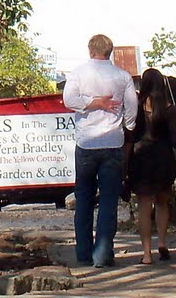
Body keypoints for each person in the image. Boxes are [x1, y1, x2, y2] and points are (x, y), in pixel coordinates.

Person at [62, 33, 138, 268]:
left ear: (90, 50)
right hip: (113, 142)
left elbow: (68, 100)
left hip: (86, 142)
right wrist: (128, 126)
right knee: (108, 201)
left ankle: (84, 253)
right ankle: (103, 254)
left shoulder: (78, 73)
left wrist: (91, 103)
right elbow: (132, 107)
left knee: (84, 199)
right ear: (110, 52)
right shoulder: (122, 76)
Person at [127, 67, 176, 265]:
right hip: (164, 159)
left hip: (141, 158)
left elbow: (129, 137)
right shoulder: (169, 107)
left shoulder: (137, 107)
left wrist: (124, 164)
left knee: (144, 207)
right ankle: (162, 242)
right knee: (162, 202)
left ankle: (147, 254)